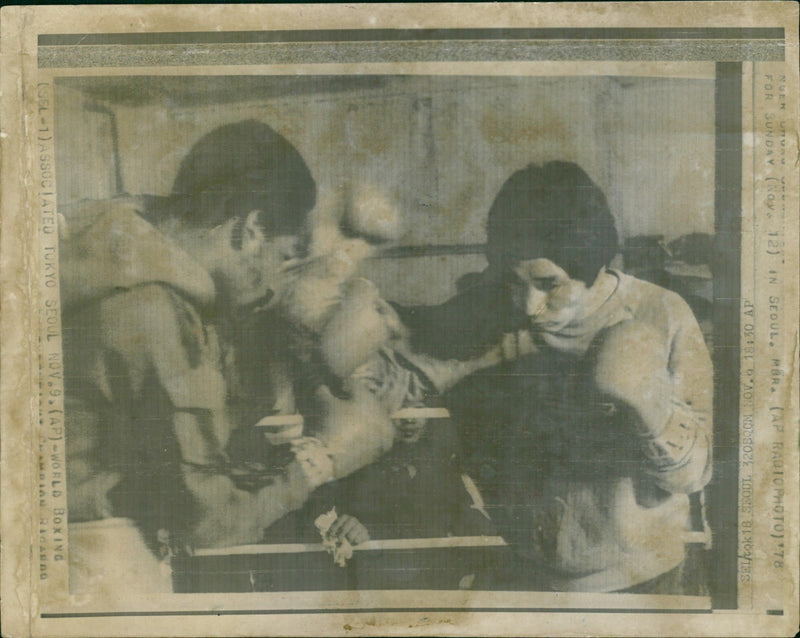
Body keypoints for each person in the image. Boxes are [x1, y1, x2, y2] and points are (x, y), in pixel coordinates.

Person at [61, 121, 396, 596]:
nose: (276, 284)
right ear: (251, 229)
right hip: (90, 569)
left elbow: (177, 444)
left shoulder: (112, 258)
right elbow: (207, 519)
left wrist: (324, 357)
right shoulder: (150, 306)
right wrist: (328, 456)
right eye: (286, 259)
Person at [401, 161, 713, 593]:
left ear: (588, 260)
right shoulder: (493, 314)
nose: (529, 305)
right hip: (529, 575)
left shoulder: (659, 312)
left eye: (550, 283)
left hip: (644, 577)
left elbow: (694, 476)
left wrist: (649, 405)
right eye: (515, 282)